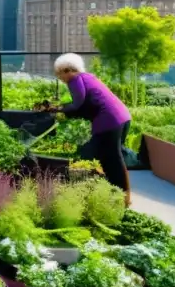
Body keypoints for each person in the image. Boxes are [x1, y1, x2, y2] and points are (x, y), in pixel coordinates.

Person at [51, 53, 133, 205]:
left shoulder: (75, 80)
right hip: (122, 117)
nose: (59, 78)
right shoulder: (87, 77)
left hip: (109, 121)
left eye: (59, 73)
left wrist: (58, 109)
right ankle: (119, 194)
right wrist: (63, 110)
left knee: (111, 159)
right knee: (111, 158)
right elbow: (87, 104)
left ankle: (122, 198)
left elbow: (78, 104)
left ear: (68, 70)